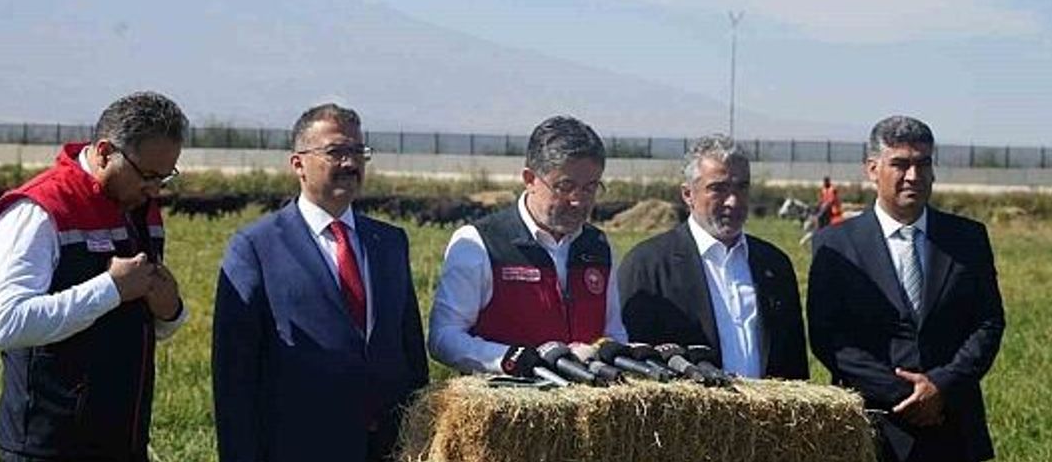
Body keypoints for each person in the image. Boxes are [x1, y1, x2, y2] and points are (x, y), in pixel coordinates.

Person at [212, 103, 428, 462]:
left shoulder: (389, 242)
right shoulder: (256, 247)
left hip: (388, 447)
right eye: (336, 152)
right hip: (301, 445)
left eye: (358, 152)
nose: (349, 163)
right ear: (298, 163)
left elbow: (410, 351)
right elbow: (235, 374)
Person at [0, 91, 189, 462]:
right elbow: (8, 325)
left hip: (123, 438)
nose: (155, 190)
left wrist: (171, 312)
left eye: (165, 177)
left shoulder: (140, 207)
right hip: (49, 444)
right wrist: (110, 288)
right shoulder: (38, 210)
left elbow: (139, 318)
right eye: (147, 175)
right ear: (104, 152)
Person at [808, 116, 1005, 462]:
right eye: (900, 164)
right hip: (873, 428)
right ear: (872, 169)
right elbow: (830, 338)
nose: (913, 176)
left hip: (954, 427)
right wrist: (907, 394)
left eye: (923, 163)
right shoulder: (835, 245)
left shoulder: (967, 239)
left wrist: (941, 385)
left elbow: (988, 323)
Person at [427, 115, 627, 374]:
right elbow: (444, 337)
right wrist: (512, 360)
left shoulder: (600, 246)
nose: (578, 201)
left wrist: (603, 352)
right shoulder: (481, 242)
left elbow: (614, 332)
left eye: (590, 187)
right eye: (565, 186)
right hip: (507, 403)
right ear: (530, 179)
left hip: (584, 405)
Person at [619, 134, 809, 379]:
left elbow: (794, 364)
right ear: (688, 194)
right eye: (718, 189)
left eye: (742, 187)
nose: (733, 201)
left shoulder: (773, 264)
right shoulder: (647, 266)